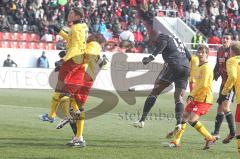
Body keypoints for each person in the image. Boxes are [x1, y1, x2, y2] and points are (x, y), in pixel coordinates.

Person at [133, 31, 190, 134]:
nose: (153, 43)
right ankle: (178, 123)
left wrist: (151, 57)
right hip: (186, 67)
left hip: (173, 64)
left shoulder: (162, 36)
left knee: (155, 91)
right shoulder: (177, 39)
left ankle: (142, 120)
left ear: (153, 36)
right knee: (178, 97)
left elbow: (163, 44)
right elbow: (189, 56)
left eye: (152, 41)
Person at [56, 33, 106, 148]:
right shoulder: (95, 47)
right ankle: (78, 138)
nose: (87, 37)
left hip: (82, 77)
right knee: (77, 105)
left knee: (65, 96)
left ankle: (69, 116)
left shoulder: (93, 44)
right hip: (87, 78)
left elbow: (88, 54)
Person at [39, 7, 88, 123]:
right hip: (80, 60)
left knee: (60, 88)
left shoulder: (76, 28)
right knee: (67, 89)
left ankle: (52, 116)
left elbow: (75, 46)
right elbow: (74, 41)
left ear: (77, 16)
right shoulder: (83, 26)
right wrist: (59, 31)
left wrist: (63, 60)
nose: (69, 14)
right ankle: (72, 110)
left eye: (71, 13)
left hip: (73, 60)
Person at [167, 45, 216, 150]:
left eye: (203, 52)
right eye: (199, 52)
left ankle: (209, 137)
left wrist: (191, 95)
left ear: (207, 54)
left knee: (192, 120)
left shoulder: (207, 67)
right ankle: (176, 140)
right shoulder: (198, 66)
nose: (201, 54)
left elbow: (203, 84)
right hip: (196, 98)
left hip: (204, 99)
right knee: (184, 116)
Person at [212, 32, 235, 143]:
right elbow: (217, 64)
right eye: (224, 38)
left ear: (231, 40)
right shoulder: (220, 50)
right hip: (223, 83)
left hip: (231, 83)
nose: (225, 40)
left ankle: (232, 132)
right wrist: (213, 75)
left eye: (227, 38)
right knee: (220, 107)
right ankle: (216, 133)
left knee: (225, 107)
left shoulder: (233, 52)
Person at [218, 41, 240, 155]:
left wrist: (224, 92)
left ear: (231, 51)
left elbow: (233, 76)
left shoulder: (231, 60)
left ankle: (231, 133)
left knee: (238, 131)